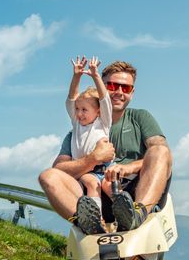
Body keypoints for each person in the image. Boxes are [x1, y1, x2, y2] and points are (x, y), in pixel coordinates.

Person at [39, 60, 172, 234]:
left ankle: (136, 214)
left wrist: (126, 168)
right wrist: (92, 159)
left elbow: (161, 153)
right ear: (102, 85)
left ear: (132, 92)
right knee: (47, 176)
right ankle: (88, 222)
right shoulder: (77, 132)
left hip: (134, 190)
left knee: (160, 150)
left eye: (125, 88)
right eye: (112, 85)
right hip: (95, 197)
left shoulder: (140, 118)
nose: (118, 92)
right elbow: (59, 169)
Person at [65, 56, 114, 234]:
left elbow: (105, 99)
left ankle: (126, 215)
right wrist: (76, 76)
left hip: (106, 166)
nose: (79, 113)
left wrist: (95, 76)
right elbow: (71, 98)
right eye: (78, 109)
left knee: (112, 186)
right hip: (86, 169)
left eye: (84, 110)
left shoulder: (103, 122)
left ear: (98, 111)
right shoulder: (76, 124)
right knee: (93, 184)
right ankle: (96, 221)